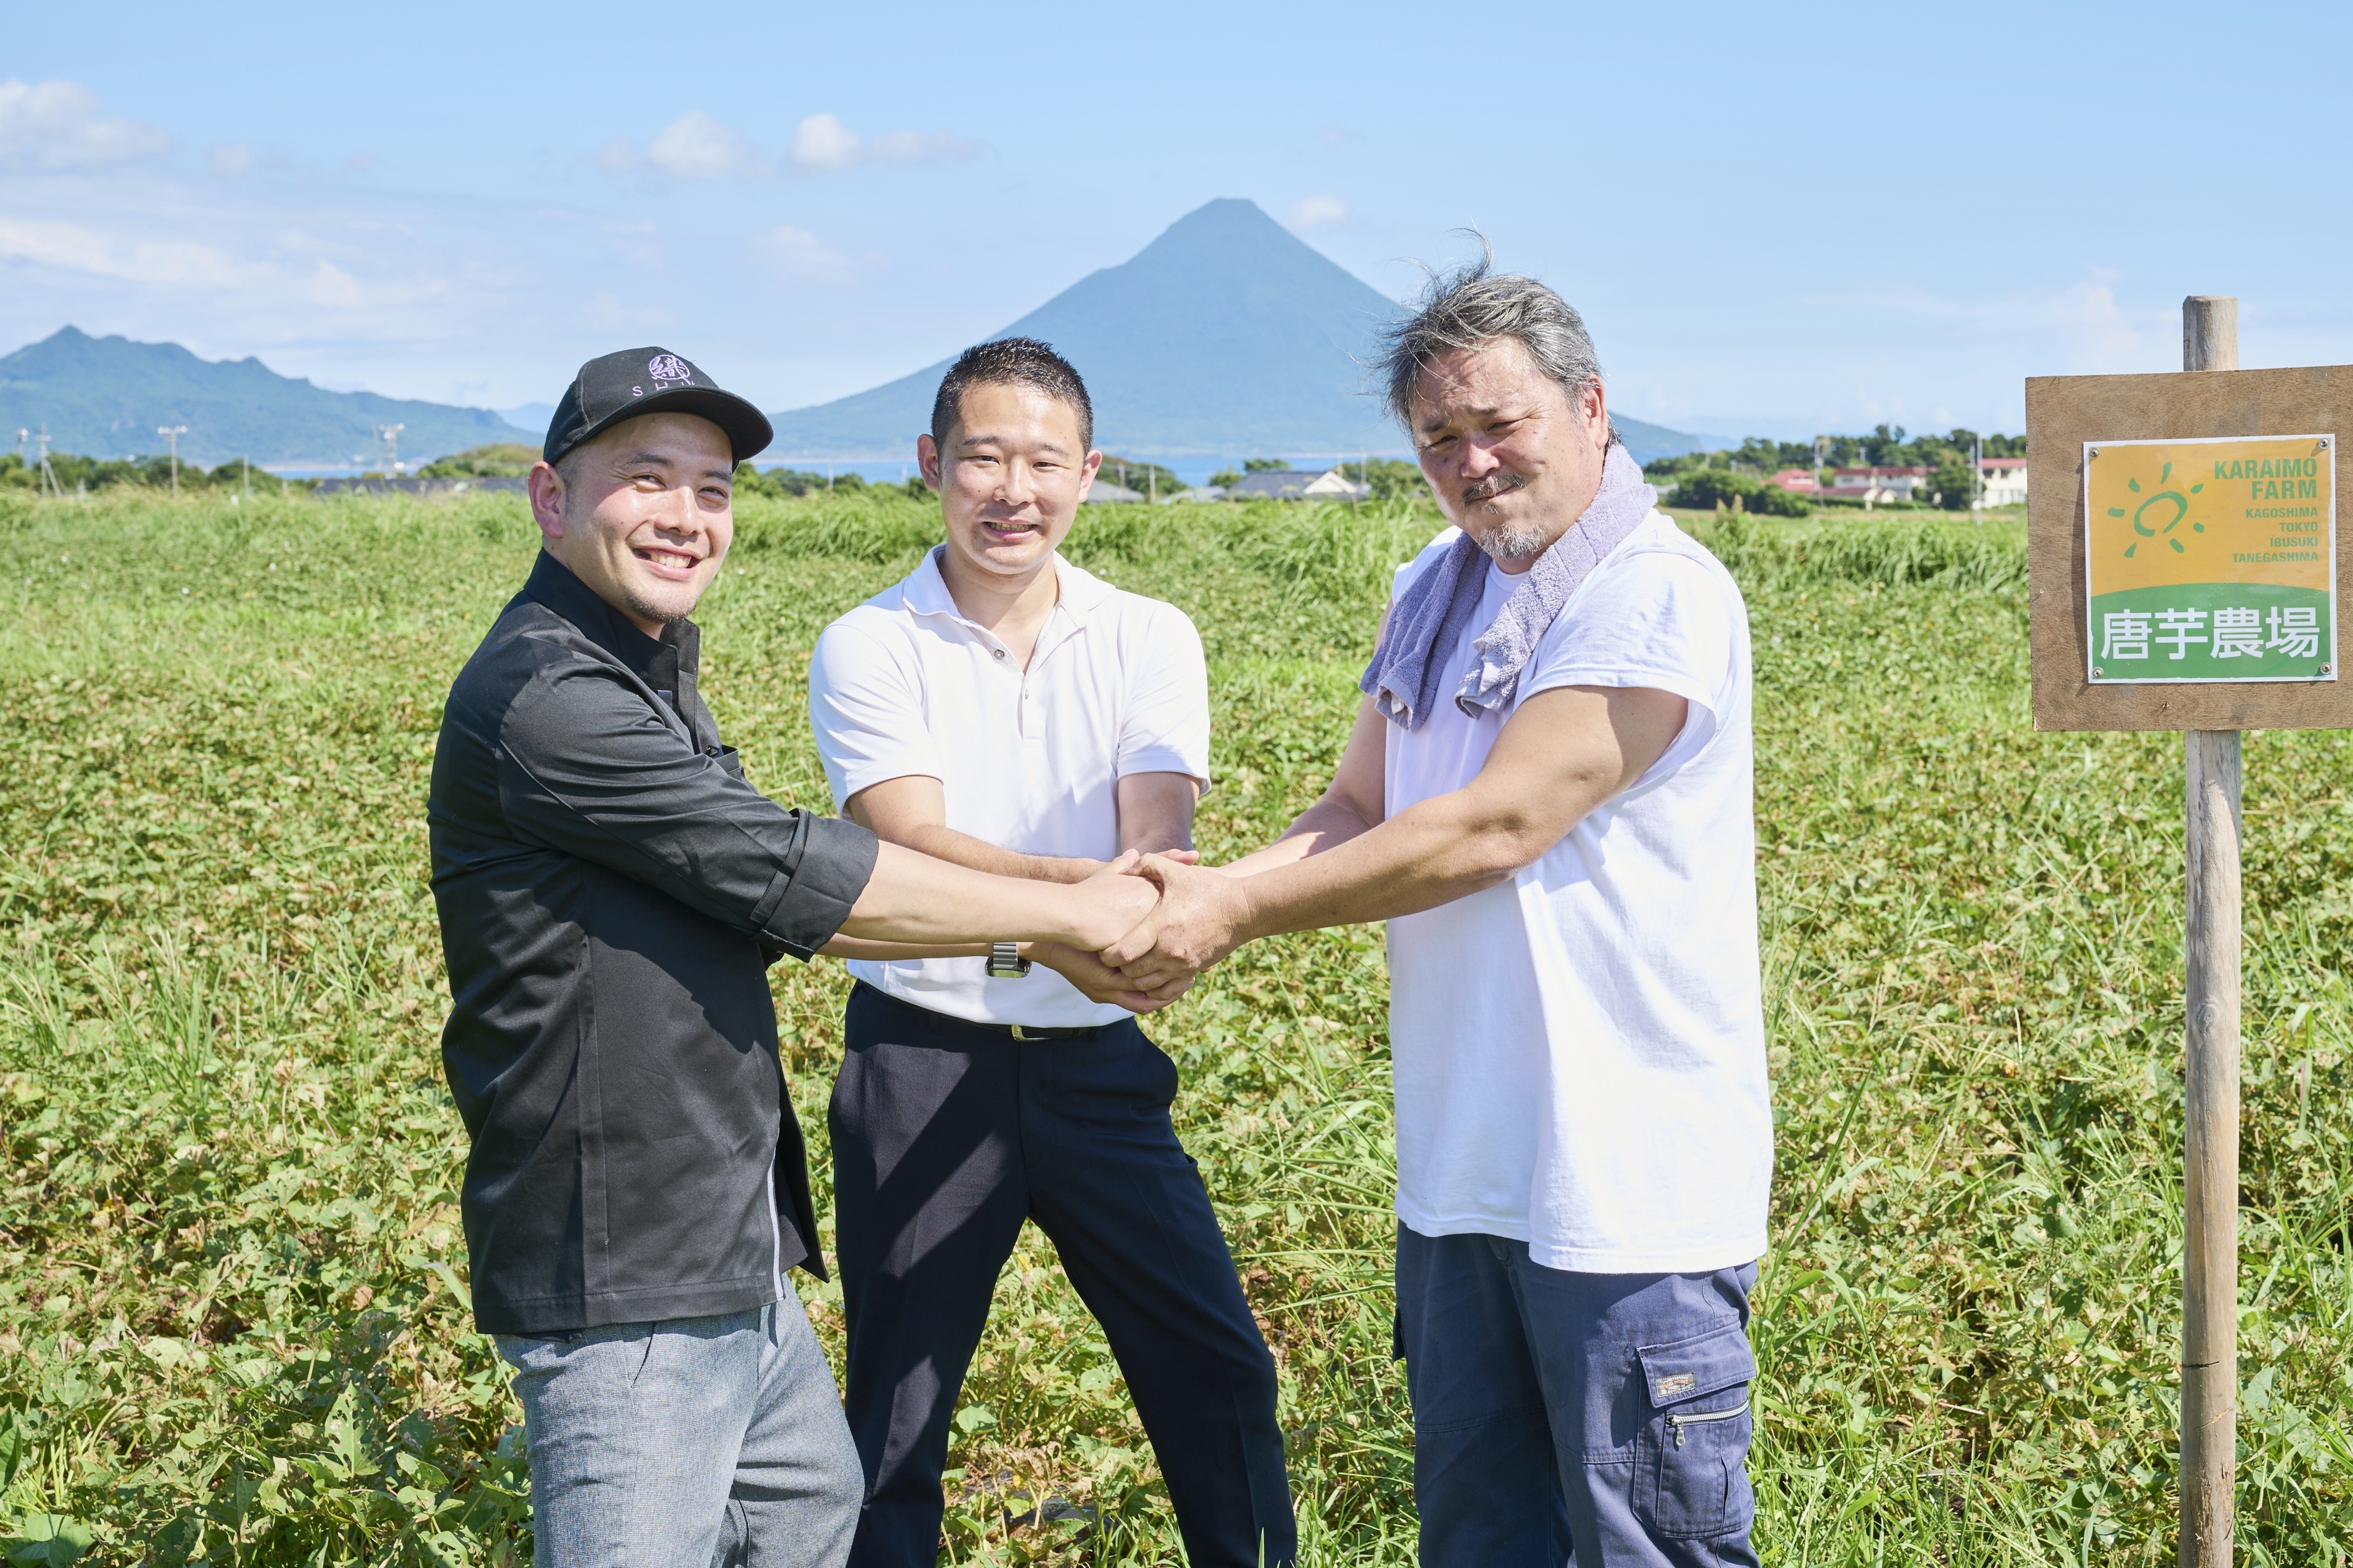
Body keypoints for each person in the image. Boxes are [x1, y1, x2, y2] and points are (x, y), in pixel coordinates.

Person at [428, 346, 1159, 1568]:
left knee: (810, 1513)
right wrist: (1071, 914)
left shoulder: (642, 668)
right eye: (646, 478)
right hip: (627, 1267)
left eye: (711, 488)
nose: (684, 516)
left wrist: (1053, 914)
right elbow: (797, 872)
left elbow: (798, 905)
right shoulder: (550, 699)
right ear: (551, 498)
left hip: (722, 1245)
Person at [1100, 259, 1772, 1566]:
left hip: (1622, 1190)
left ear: (1589, 407)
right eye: (1438, 440)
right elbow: (1360, 802)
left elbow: (1493, 826)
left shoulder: (1652, 589)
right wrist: (1200, 888)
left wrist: (1227, 912)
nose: (1471, 463)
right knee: (1476, 1540)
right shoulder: (1437, 581)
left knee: (1650, 1545)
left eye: (1498, 425)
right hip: (1464, 1174)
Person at [805, 338, 1295, 1568]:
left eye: (1041, 461)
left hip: (1095, 1060)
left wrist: (1118, 910)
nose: (1010, 490)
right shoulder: (868, 643)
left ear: (1086, 472)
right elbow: (907, 839)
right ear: (931, 465)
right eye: (981, 457)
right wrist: (1089, 903)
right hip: (921, 1054)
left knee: (1217, 1367)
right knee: (895, 1412)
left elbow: (1158, 838)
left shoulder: (1148, 634)